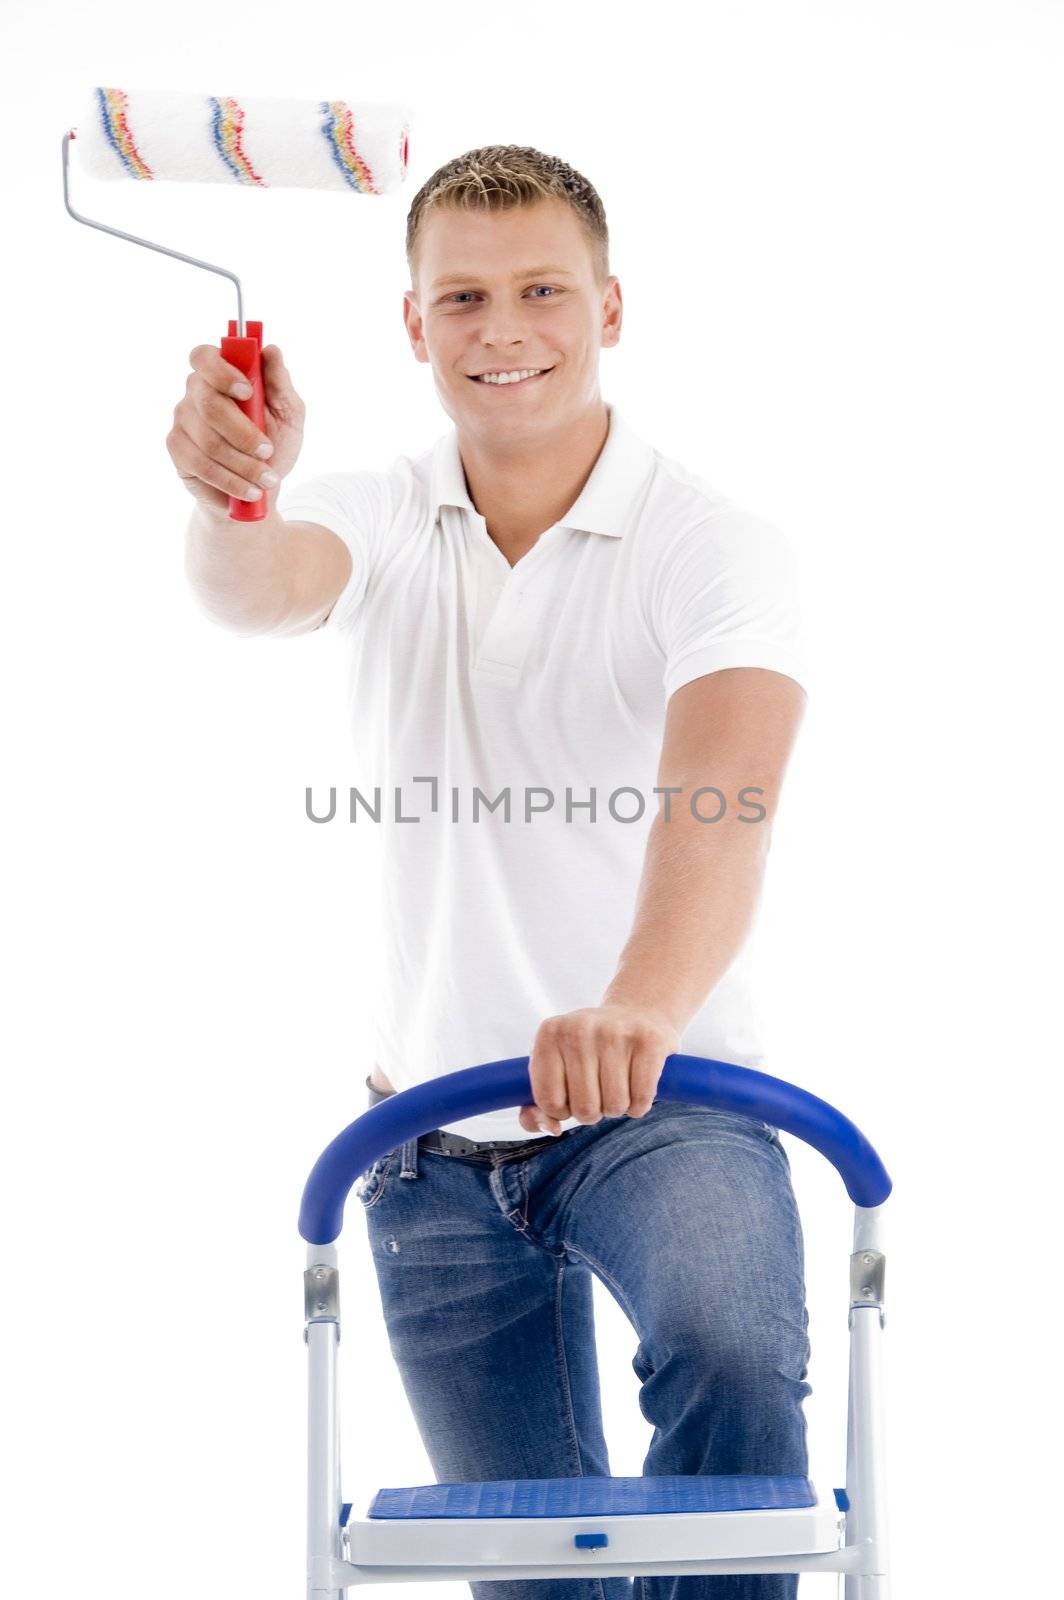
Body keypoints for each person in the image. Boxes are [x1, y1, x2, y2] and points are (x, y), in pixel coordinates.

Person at [169, 146, 812, 1600]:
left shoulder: (714, 547)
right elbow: (254, 591)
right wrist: (234, 501)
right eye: (462, 296)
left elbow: (728, 790)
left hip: (671, 1104)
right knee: (532, 1566)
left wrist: (637, 1009)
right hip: (437, 1145)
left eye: (541, 291)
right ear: (412, 324)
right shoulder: (384, 513)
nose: (502, 328)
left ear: (611, 308)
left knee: (727, 1349)